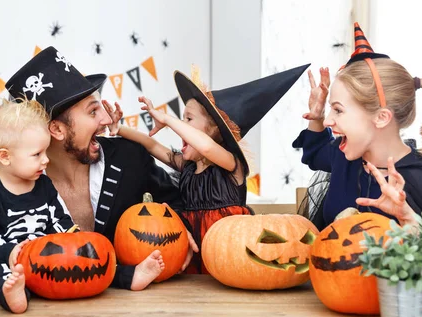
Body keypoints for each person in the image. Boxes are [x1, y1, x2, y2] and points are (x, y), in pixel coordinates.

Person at [0, 46, 187, 291]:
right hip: (43, 316)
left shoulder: (129, 158)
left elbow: (177, 200)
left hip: (131, 309)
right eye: (92, 111)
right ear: (57, 129)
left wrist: (184, 230)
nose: (106, 119)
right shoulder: (9, 185)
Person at [293, 22, 422, 317]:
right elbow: (315, 153)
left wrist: (412, 226)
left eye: (338, 110)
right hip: (334, 316)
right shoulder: (344, 158)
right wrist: (315, 117)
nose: (329, 119)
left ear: (381, 117)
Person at [107, 64, 309, 274]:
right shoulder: (186, 166)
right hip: (193, 256)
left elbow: (207, 147)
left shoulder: (231, 165)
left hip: (229, 254)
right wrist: (118, 128)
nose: (181, 125)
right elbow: (151, 145)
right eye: (182, 119)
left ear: (214, 130)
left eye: (189, 119)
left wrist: (168, 119)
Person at [0, 98, 74, 313]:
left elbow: (59, 218)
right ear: (5, 157)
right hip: (1, 257)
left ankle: (125, 275)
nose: (46, 160)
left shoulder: (44, 184)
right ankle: (12, 295)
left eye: (46, 152)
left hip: (40, 256)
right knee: (1, 274)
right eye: (37, 154)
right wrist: (8, 253)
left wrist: (74, 237)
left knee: (85, 260)